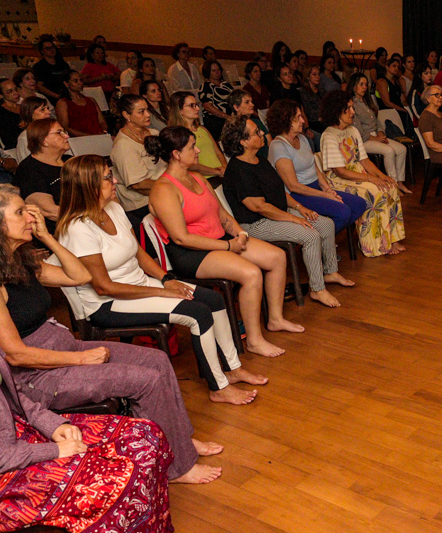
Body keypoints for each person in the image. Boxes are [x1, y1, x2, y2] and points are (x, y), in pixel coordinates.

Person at [0, 183, 224, 484]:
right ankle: (178, 468)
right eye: (20, 212)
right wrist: (82, 359)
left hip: (63, 349)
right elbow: (16, 355)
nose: (31, 217)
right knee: (147, 381)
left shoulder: (22, 263)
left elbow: (79, 276)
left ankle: (179, 441)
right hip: (36, 376)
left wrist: (47, 237)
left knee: (157, 361)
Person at [57, 155, 265, 405]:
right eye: (107, 177)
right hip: (108, 303)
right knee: (197, 314)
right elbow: (103, 287)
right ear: (88, 185)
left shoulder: (113, 209)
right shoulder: (78, 229)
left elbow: (138, 252)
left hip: (140, 286)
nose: (115, 181)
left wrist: (166, 279)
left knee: (213, 300)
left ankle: (233, 368)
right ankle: (218, 387)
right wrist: (161, 292)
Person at [147, 126, 304, 357]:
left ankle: (275, 319)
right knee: (251, 273)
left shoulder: (197, 178)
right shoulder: (164, 189)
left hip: (219, 239)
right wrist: (229, 246)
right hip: (191, 253)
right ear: (176, 154)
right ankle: (254, 341)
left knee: (276, 257)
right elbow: (182, 237)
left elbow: (221, 214)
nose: (198, 150)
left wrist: (240, 233)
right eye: (192, 147)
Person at [0, 355, 175, 532]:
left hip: (18, 429)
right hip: (9, 462)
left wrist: (51, 425)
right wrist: (54, 450)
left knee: (146, 433)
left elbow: (13, 393)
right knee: (113, 483)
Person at [222, 116, 355, 308]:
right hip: (255, 223)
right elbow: (258, 207)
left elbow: (279, 192)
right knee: (310, 235)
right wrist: (293, 218)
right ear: (243, 142)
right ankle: (317, 289)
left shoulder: (260, 161)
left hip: (277, 214)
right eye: (256, 132)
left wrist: (301, 208)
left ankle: (330, 272)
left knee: (326, 224)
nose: (262, 133)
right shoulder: (237, 170)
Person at [319, 91, 405, 257]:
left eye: (353, 107)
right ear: (337, 111)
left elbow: (364, 160)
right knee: (375, 192)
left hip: (358, 174)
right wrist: (371, 179)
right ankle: (375, 245)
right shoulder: (329, 135)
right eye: (349, 108)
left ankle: (392, 239)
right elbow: (340, 171)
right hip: (340, 180)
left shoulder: (353, 130)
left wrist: (383, 176)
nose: (353, 112)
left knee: (391, 187)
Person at [266, 99, 366, 236]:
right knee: (343, 212)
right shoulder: (278, 146)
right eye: (298, 117)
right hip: (298, 195)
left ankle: (324, 239)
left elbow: (315, 168)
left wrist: (328, 189)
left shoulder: (302, 138)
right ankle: (319, 241)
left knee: (359, 204)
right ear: (286, 120)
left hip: (316, 188)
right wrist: (325, 195)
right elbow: (293, 186)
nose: (303, 121)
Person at [110, 96, 167, 233]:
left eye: (148, 110)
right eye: (141, 112)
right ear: (126, 115)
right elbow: (138, 185)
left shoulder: (154, 133)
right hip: (142, 205)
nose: (148, 115)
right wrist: (172, 186)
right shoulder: (123, 145)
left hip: (162, 192)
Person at [347, 73, 412, 194]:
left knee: (401, 149)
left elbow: (377, 121)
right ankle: (393, 185)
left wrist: (381, 132)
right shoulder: (352, 104)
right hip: (364, 139)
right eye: (361, 84)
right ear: (354, 86)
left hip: (376, 135)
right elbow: (357, 130)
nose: (364, 87)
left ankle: (400, 183)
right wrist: (375, 138)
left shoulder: (367, 101)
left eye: (366, 84)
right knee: (389, 151)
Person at [13, 118, 70, 228]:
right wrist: (88, 215)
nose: (66, 136)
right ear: (44, 140)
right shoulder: (29, 170)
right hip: (58, 229)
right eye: (59, 133)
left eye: (64, 132)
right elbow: (50, 211)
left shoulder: (70, 161)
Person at [166, 91, 227, 184]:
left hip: (222, 174)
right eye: (192, 105)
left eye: (197, 105)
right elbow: (190, 165)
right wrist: (216, 172)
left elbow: (218, 152)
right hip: (205, 179)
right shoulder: (178, 135)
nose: (197, 109)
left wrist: (224, 167)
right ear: (179, 110)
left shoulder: (202, 129)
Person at [56, 70, 107, 137]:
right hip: (79, 139)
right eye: (75, 81)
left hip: (99, 136)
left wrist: (103, 132)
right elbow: (65, 127)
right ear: (66, 83)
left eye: (81, 80)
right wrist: (89, 136)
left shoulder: (91, 100)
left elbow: (102, 122)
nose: (80, 83)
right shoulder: (63, 103)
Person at [228, 89, 271, 160]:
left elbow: (270, 142)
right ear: (236, 107)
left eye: (251, 102)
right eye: (247, 102)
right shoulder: (233, 127)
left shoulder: (257, 121)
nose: (252, 105)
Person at [198, 59, 234, 141]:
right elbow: (208, 107)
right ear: (208, 72)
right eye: (213, 71)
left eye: (218, 70)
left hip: (230, 116)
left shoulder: (226, 85)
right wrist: (226, 116)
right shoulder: (206, 86)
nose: (217, 73)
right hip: (215, 118)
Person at [31, 35, 71, 102]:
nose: (51, 50)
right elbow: (39, 86)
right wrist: (56, 96)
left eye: (52, 47)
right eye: (47, 48)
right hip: (49, 98)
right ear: (42, 51)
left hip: (65, 95)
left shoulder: (63, 64)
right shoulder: (39, 66)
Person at [14, 96, 53, 162]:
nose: (48, 112)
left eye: (47, 108)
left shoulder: (55, 130)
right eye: (42, 110)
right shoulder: (25, 137)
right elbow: (26, 163)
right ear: (30, 113)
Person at [0, 78, 23, 151]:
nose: (15, 93)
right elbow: (8, 137)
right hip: (15, 148)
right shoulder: (2, 113)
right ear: (1, 95)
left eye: (16, 89)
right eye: (9, 91)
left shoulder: (24, 107)